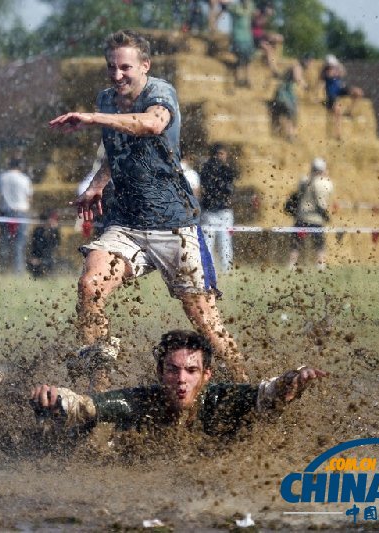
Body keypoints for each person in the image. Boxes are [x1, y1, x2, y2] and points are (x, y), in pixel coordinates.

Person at [49, 29, 245, 391]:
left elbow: (150, 125)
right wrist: (98, 182)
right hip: (126, 222)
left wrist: (92, 119)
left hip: (175, 225)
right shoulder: (107, 100)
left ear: (145, 66)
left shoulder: (159, 92)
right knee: (90, 285)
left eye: (125, 68)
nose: (117, 75)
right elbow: (118, 148)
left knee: (206, 323)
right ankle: (101, 389)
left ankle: (246, 386)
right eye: (112, 67)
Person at [30, 330, 327, 436]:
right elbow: (87, 405)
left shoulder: (221, 398)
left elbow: (269, 393)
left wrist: (293, 380)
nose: (181, 380)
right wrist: (55, 398)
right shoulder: (142, 401)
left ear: (206, 374)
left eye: (191, 370)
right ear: (160, 373)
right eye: (172, 370)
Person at [288, 158, 334, 271]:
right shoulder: (324, 183)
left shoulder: (304, 181)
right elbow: (327, 195)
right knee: (320, 245)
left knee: (295, 245)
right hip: (316, 218)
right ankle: (321, 266)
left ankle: (291, 265)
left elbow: (298, 191)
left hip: (301, 217)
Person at [199, 143, 237, 272]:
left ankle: (226, 271)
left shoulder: (227, 170)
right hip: (210, 212)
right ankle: (208, 272)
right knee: (208, 245)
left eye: (223, 154)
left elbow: (230, 189)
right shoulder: (207, 170)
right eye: (219, 154)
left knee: (225, 245)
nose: (221, 157)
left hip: (224, 212)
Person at [0, 157, 33, 274]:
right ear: (20, 166)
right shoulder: (24, 179)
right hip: (21, 212)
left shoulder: (2, 178)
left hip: (5, 212)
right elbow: (29, 197)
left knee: (4, 242)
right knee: (19, 243)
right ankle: (18, 270)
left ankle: (3, 269)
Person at [321, 54, 364, 140]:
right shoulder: (325, 72)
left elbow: (344, 72)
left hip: (340, 89)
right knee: (338, 111)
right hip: (331, 94)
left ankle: (349, 111)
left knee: (358, 92)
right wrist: (335, 68)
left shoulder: (336, 69)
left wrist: (338, 64)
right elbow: (329, 75)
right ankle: (338, 134)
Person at [269, 56, 310, 143]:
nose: (310, 64)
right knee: (291, 112)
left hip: (285, 92)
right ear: (305, 61)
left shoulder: (295, 66)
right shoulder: (297, 66)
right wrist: (305, 85)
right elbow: (297, 78)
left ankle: (287, 134)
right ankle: (290, 135)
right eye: (309, 62)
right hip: (285, 92)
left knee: (288, 113)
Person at [225, 0, 255, 89]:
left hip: (248, 38)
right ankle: (238, 79)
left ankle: (247, 79)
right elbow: (228, 7)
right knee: (240, 59)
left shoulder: (250, 6)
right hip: (238, 37)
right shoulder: (235, 8)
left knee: (248, 60)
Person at [27, 209, 61, 278]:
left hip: (49, 258)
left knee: (49, 263)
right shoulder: (38, 231)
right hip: (38, 256)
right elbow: (36, 246)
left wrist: (53, 231)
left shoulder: (54, 231)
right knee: (34, 264)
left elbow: (56, 244)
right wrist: (36, 258)